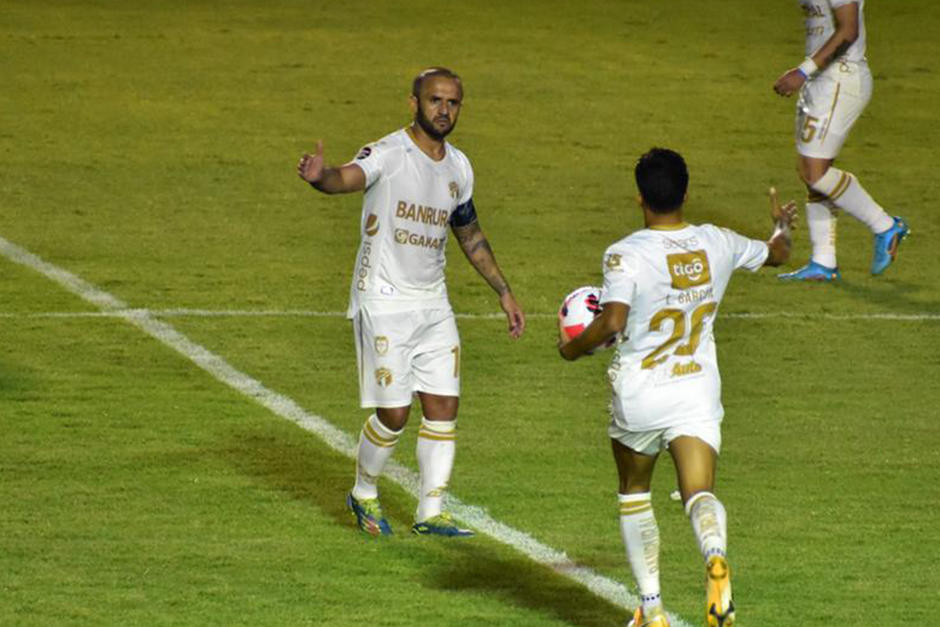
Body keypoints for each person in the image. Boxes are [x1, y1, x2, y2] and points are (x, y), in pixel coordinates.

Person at [558, 148, 796, 627]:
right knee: (698, 491)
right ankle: (714, 554)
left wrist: (573, 348)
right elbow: (776, 254)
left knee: (634, 492)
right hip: (696, 391)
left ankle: (652, 610)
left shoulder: (625, 254)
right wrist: (782, 226)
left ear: (639, 197)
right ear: (685, 193)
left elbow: (613, 321)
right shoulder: (718, 241)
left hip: (643, 395)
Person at [296, 67, 525, 537]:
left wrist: (503, 291)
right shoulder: (389, 152)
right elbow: (348, 176)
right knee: (394, 413)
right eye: (435, 100)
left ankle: (431, 511)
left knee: (444, 405)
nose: (443, 110)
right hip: (383, 298)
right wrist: (322, 178)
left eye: (453, 102)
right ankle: (363, 492)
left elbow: (470, 233)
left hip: (432, 302)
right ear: (414, 103)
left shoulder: (459, 167)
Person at [773, 0, 908, 281]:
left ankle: (885, 226)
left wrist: (802, 72)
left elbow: (849, 31)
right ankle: (823, 262)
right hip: (822, 80)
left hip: (840, 77)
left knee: (815, 171)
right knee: (809, 171)